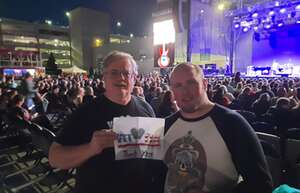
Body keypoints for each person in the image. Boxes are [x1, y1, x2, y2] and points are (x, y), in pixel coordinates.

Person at [48, 51, 166, 193]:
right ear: (104, 77)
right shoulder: (85, 112)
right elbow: (55, 158)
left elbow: (153, 153)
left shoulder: (146, 108)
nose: (121, 77)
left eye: (126, 73)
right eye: (114, 73)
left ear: (134, 78)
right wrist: (91, 148)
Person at [163, 63, 273, 193]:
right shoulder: (166, 125)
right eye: (178, 85)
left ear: (205, 84)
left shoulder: (232, 124)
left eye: (191, 83)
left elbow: (261, 184)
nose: (184, 91)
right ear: (172, 90)